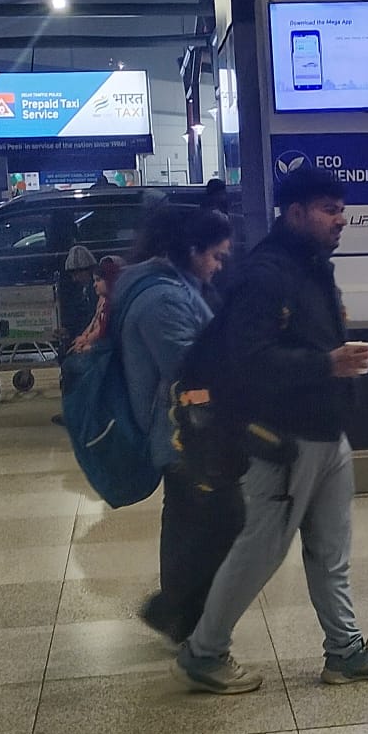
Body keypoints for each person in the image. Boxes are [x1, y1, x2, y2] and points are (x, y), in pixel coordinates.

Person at [174, 166, 368, 695]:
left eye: (341, 209)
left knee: (331, 549)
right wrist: (327, 364)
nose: (340, 219)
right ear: (297, 212)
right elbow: (249, 360)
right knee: (262, 547)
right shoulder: (266, 274)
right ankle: (204, 651)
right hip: (284, 439)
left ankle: (345, 650)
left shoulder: (312, 266)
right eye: (329, 209)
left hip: (328, 432)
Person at [116, 206, 241, 644]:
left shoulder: (181, 287)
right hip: (181, 433)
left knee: (192, 523)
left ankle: (178, 613)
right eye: (216, 256)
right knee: (218, 520)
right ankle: (181, 615)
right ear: (191, 250)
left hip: (188, 430)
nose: (219, 265)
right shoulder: (163, 298)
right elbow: (189, 367)